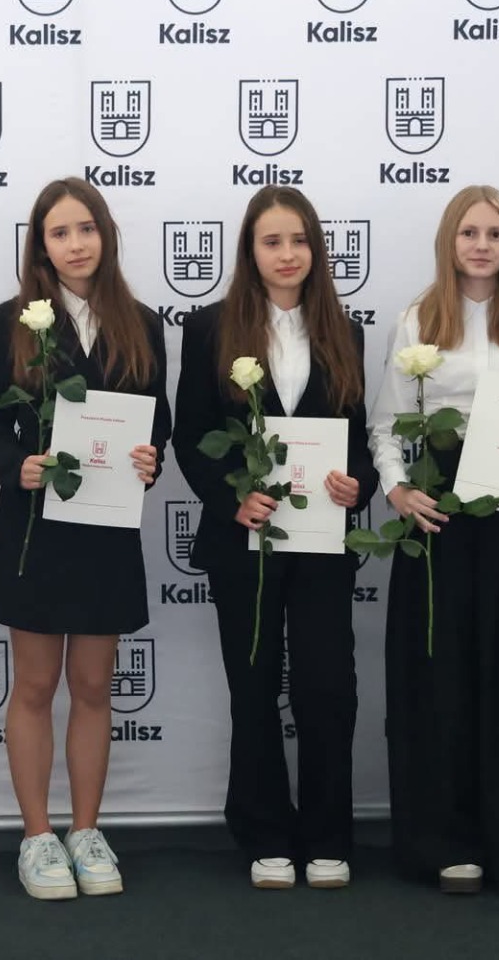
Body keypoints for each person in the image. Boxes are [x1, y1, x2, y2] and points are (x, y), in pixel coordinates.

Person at [369, 185, 499, 896]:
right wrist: (398, 491)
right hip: (440, 519)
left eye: (495, 233)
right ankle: (445, 844)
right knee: (439, 683)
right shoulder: (417, 320)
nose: (482, 245)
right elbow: (384, 424)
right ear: (449, 242)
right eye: (469, 233)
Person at [173, 185, 378, 891]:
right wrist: (232, 495)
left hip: (323, 541)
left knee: (328, 688)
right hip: (245, 541)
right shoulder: (208, 328)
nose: (287, 254)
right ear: (250, 251)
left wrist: (358, 484)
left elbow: (358, 440)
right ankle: (263, 832)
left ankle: (327, 835)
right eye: (272, 242)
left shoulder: (344, 332)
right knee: (254, 686)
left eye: (299, 241)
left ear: (315, 250)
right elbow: (191, 435)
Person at [0, 177, 170, 901]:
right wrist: (14, 466)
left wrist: (149, 459)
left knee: (92, 687)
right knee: (34, 685)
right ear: (41, 247)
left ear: (105, 234)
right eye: (60, 232)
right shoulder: (13, 319)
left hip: (106, 528)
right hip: (33, 526)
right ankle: (36, 836)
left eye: (86, 228)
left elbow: (158, 419)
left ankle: (86, 832)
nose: (76, 243)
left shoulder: (142, 322)